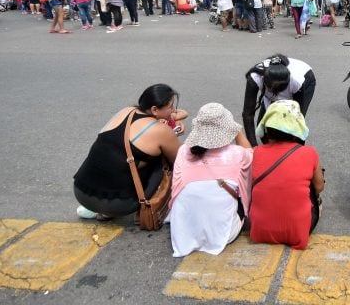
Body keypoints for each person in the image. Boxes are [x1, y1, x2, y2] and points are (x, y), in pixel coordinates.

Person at [73, 84, 183, 221]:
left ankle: (95, 208)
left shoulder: (127, 111)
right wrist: (172, 134)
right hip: (118, 204)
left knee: (122, 156)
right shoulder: (161, 131)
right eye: (171, 107)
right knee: (164, 160)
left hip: (81, 191)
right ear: (155, 109)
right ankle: (146, 209)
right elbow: (180, 161)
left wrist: (173, 119)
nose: (173, 111)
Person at [168, 103, 253, 257]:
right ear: (227, 128)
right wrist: (237, 130)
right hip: (223, 235)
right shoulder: (238, 153)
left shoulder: (183, 151)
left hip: (182, 234)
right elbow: (250, 152)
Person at [249, 100, 325, 250]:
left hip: (259, 232)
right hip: (298, 233)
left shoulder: (257, 152)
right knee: (312, 184)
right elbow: (319, 187)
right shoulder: (309, 152)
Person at [242, 54, 316, 147]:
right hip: (272, 87)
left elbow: (297, 116)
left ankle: (292, 152)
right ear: (264, 80)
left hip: (306, 79)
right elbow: (248, 114)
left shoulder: (296, 81)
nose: (277, 95)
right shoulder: (255, 78)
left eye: (280, 90)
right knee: (264, 128)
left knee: (290, 125)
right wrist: (253, 146)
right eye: (273, 91)